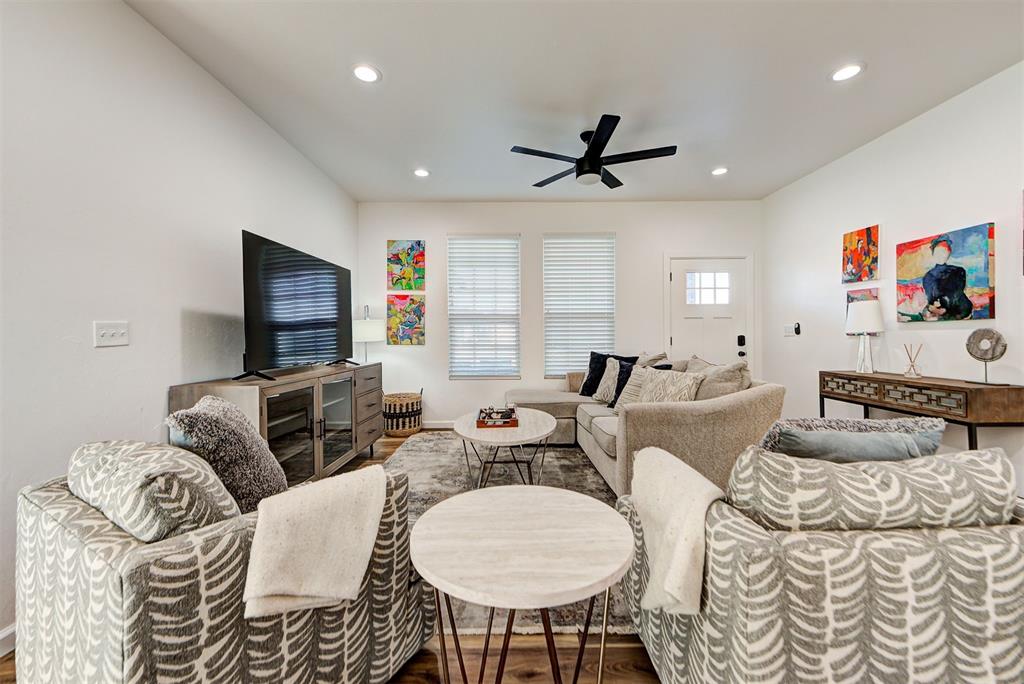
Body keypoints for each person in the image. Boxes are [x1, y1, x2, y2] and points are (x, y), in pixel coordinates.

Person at [920, 235, 973, 320]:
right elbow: (931, 300)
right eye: (938, 252)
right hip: (941, 312)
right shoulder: (928, 276)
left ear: (949, 253)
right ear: (933, 253)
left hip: (961, 311)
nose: (942, 255)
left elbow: (957, 294)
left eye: (945, 251)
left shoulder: (959, 271)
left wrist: (942, 309)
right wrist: (933, 308)